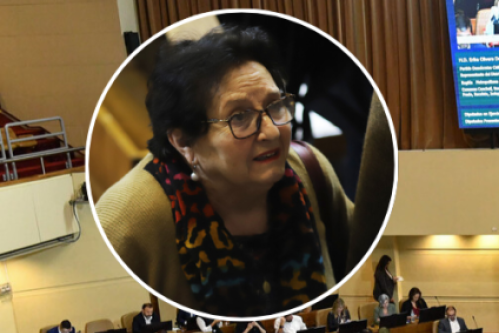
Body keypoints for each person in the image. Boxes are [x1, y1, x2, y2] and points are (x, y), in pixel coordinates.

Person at [95, 25, 370, 317]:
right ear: (184, 141)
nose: (270, 132)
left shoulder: (310, 171)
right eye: (240, 116)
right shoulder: (127, 220)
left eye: (275, 106)